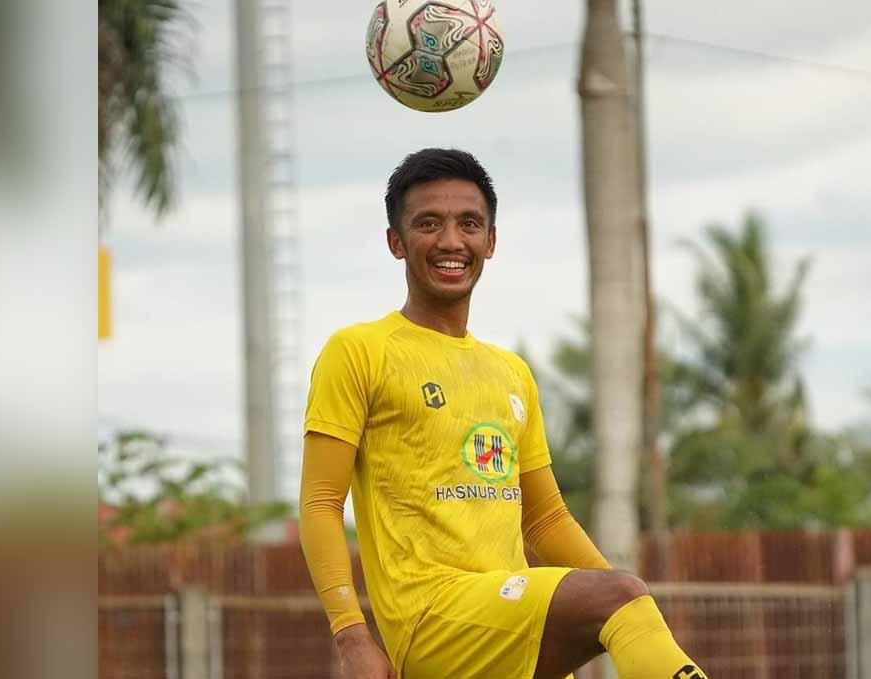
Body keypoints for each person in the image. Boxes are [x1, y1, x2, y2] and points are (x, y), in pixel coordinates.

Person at [299, 148, 708, 679]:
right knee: (622, 595)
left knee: (625, 597)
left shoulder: (511, 373)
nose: (451, 241)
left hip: (508, 624)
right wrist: (351, 635)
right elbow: (321, 503)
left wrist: (630, 607)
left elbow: (546, 518)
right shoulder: (358, 351)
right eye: (429, 223)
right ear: (396, 242)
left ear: (490, 241)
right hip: (433, 621)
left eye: (469, 224)